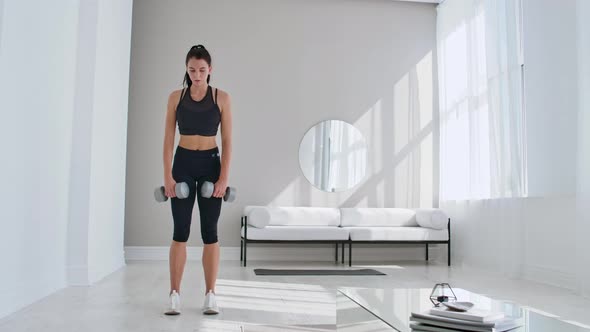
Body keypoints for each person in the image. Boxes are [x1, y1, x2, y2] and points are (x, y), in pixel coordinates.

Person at [162, 44, 233, 315]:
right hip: (183, 163)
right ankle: (174, 294)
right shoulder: (175, 98)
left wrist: (224, 178)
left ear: (210, 70)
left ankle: (211, 294)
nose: (197, 75)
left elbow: (227, 140)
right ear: (187, 69)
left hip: (211, 165)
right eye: (192, 70)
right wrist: (167, 175)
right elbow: (168, 138)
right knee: (180, 231)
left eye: (202, 70)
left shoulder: (222, 98)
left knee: (210, 232)